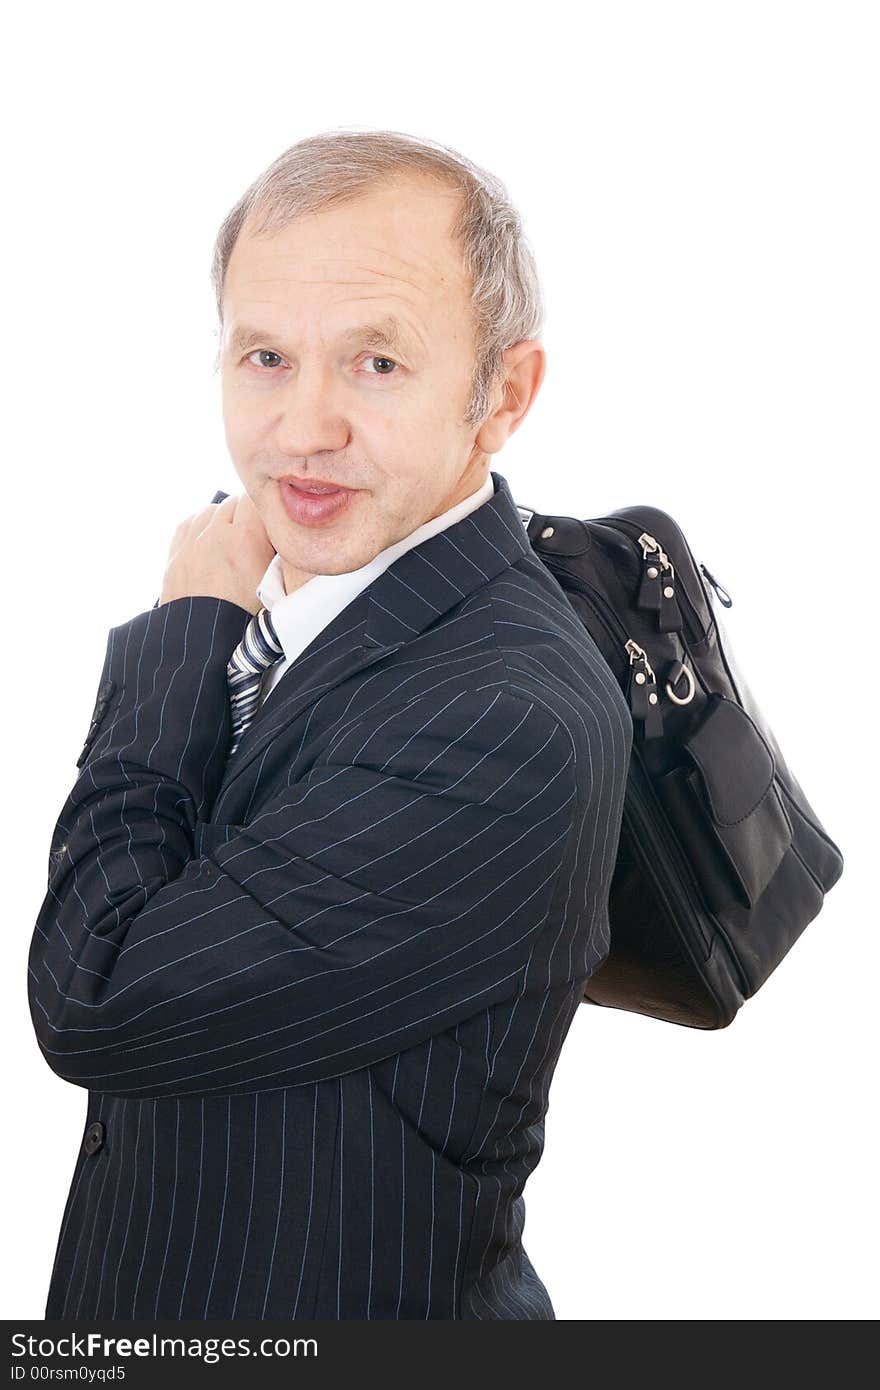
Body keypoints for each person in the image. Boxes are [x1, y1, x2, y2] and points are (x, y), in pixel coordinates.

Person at [27, 128, 633, 1320]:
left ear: (500, 394)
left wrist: (187, 635)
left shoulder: (499, 720)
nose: (301, 429)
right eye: (264, 356)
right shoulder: (337, 591)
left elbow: (100, 992)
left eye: (375, 365)